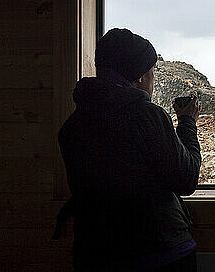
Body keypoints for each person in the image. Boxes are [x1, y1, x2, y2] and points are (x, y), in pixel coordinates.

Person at [54, 28, 202, 272]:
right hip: (159, 253)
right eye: (152, 73)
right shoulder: (146, 115)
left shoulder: (73, 125)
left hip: (95, 255)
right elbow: (186, 178)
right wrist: (187, 123)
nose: (153, 81)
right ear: (141, 76)